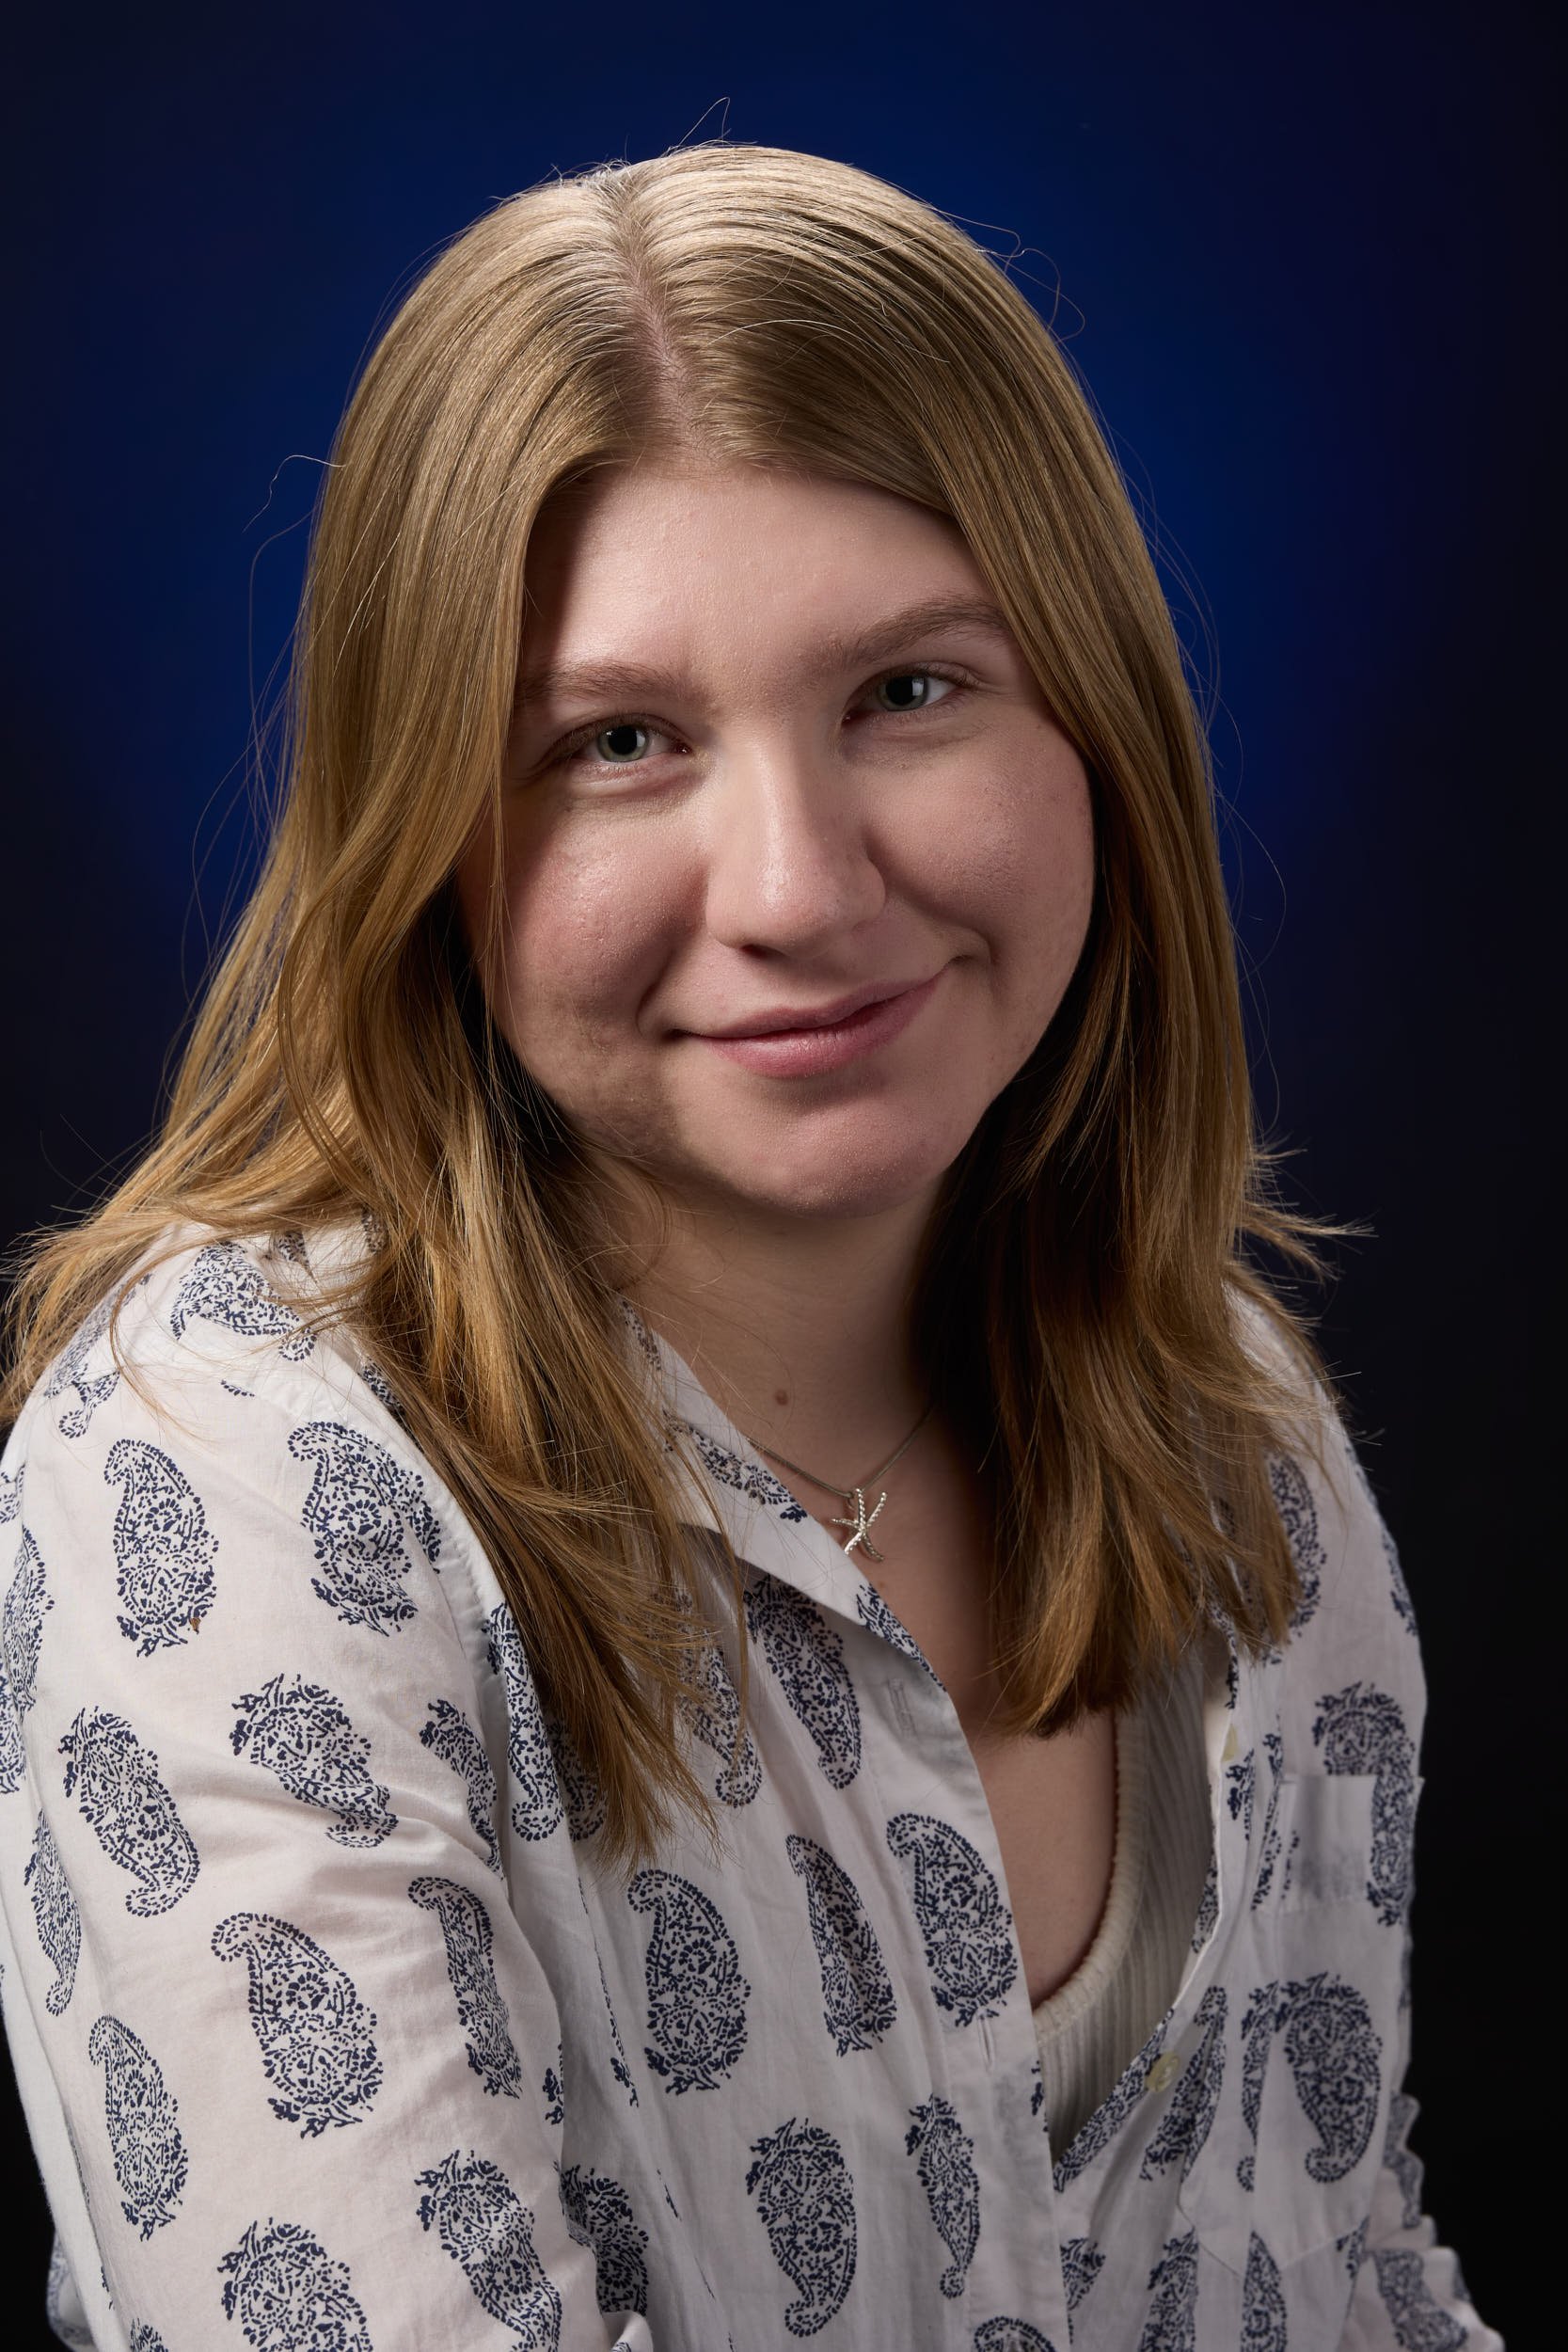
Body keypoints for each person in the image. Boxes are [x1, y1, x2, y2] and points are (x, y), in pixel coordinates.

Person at [0, 140, 1494, 2351]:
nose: (797, 884)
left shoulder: (1244, 1449)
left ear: (1099, 725)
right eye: (618, 743)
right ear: (426, 835)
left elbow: (1353, 2273)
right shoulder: (225, 1476)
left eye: (910, 690)